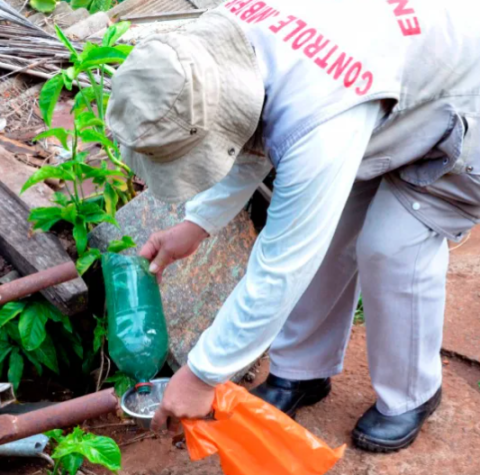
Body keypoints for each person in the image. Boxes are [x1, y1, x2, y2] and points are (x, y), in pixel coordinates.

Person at [106, 0, 480, 452]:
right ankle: (303, 370)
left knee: (392, 245)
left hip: (461, 107)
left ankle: (411, 394)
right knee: (332, 223)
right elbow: (250, 133)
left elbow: (284, 264)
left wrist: (200, 374)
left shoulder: (319, 122)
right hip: (382, 93)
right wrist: (197, 224)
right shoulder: (223, 44)